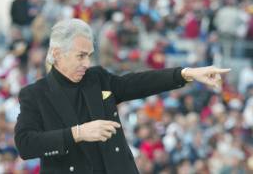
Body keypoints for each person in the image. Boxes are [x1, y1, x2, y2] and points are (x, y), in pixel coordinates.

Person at [14, 18, 230, 174]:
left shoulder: (96, 78)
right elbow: (25, 145)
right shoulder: (35, 94)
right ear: (58, 54)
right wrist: (78, 133)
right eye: (81, 56)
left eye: (89, 56)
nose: (87, 63)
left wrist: (186, 73)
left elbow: (137, 83)